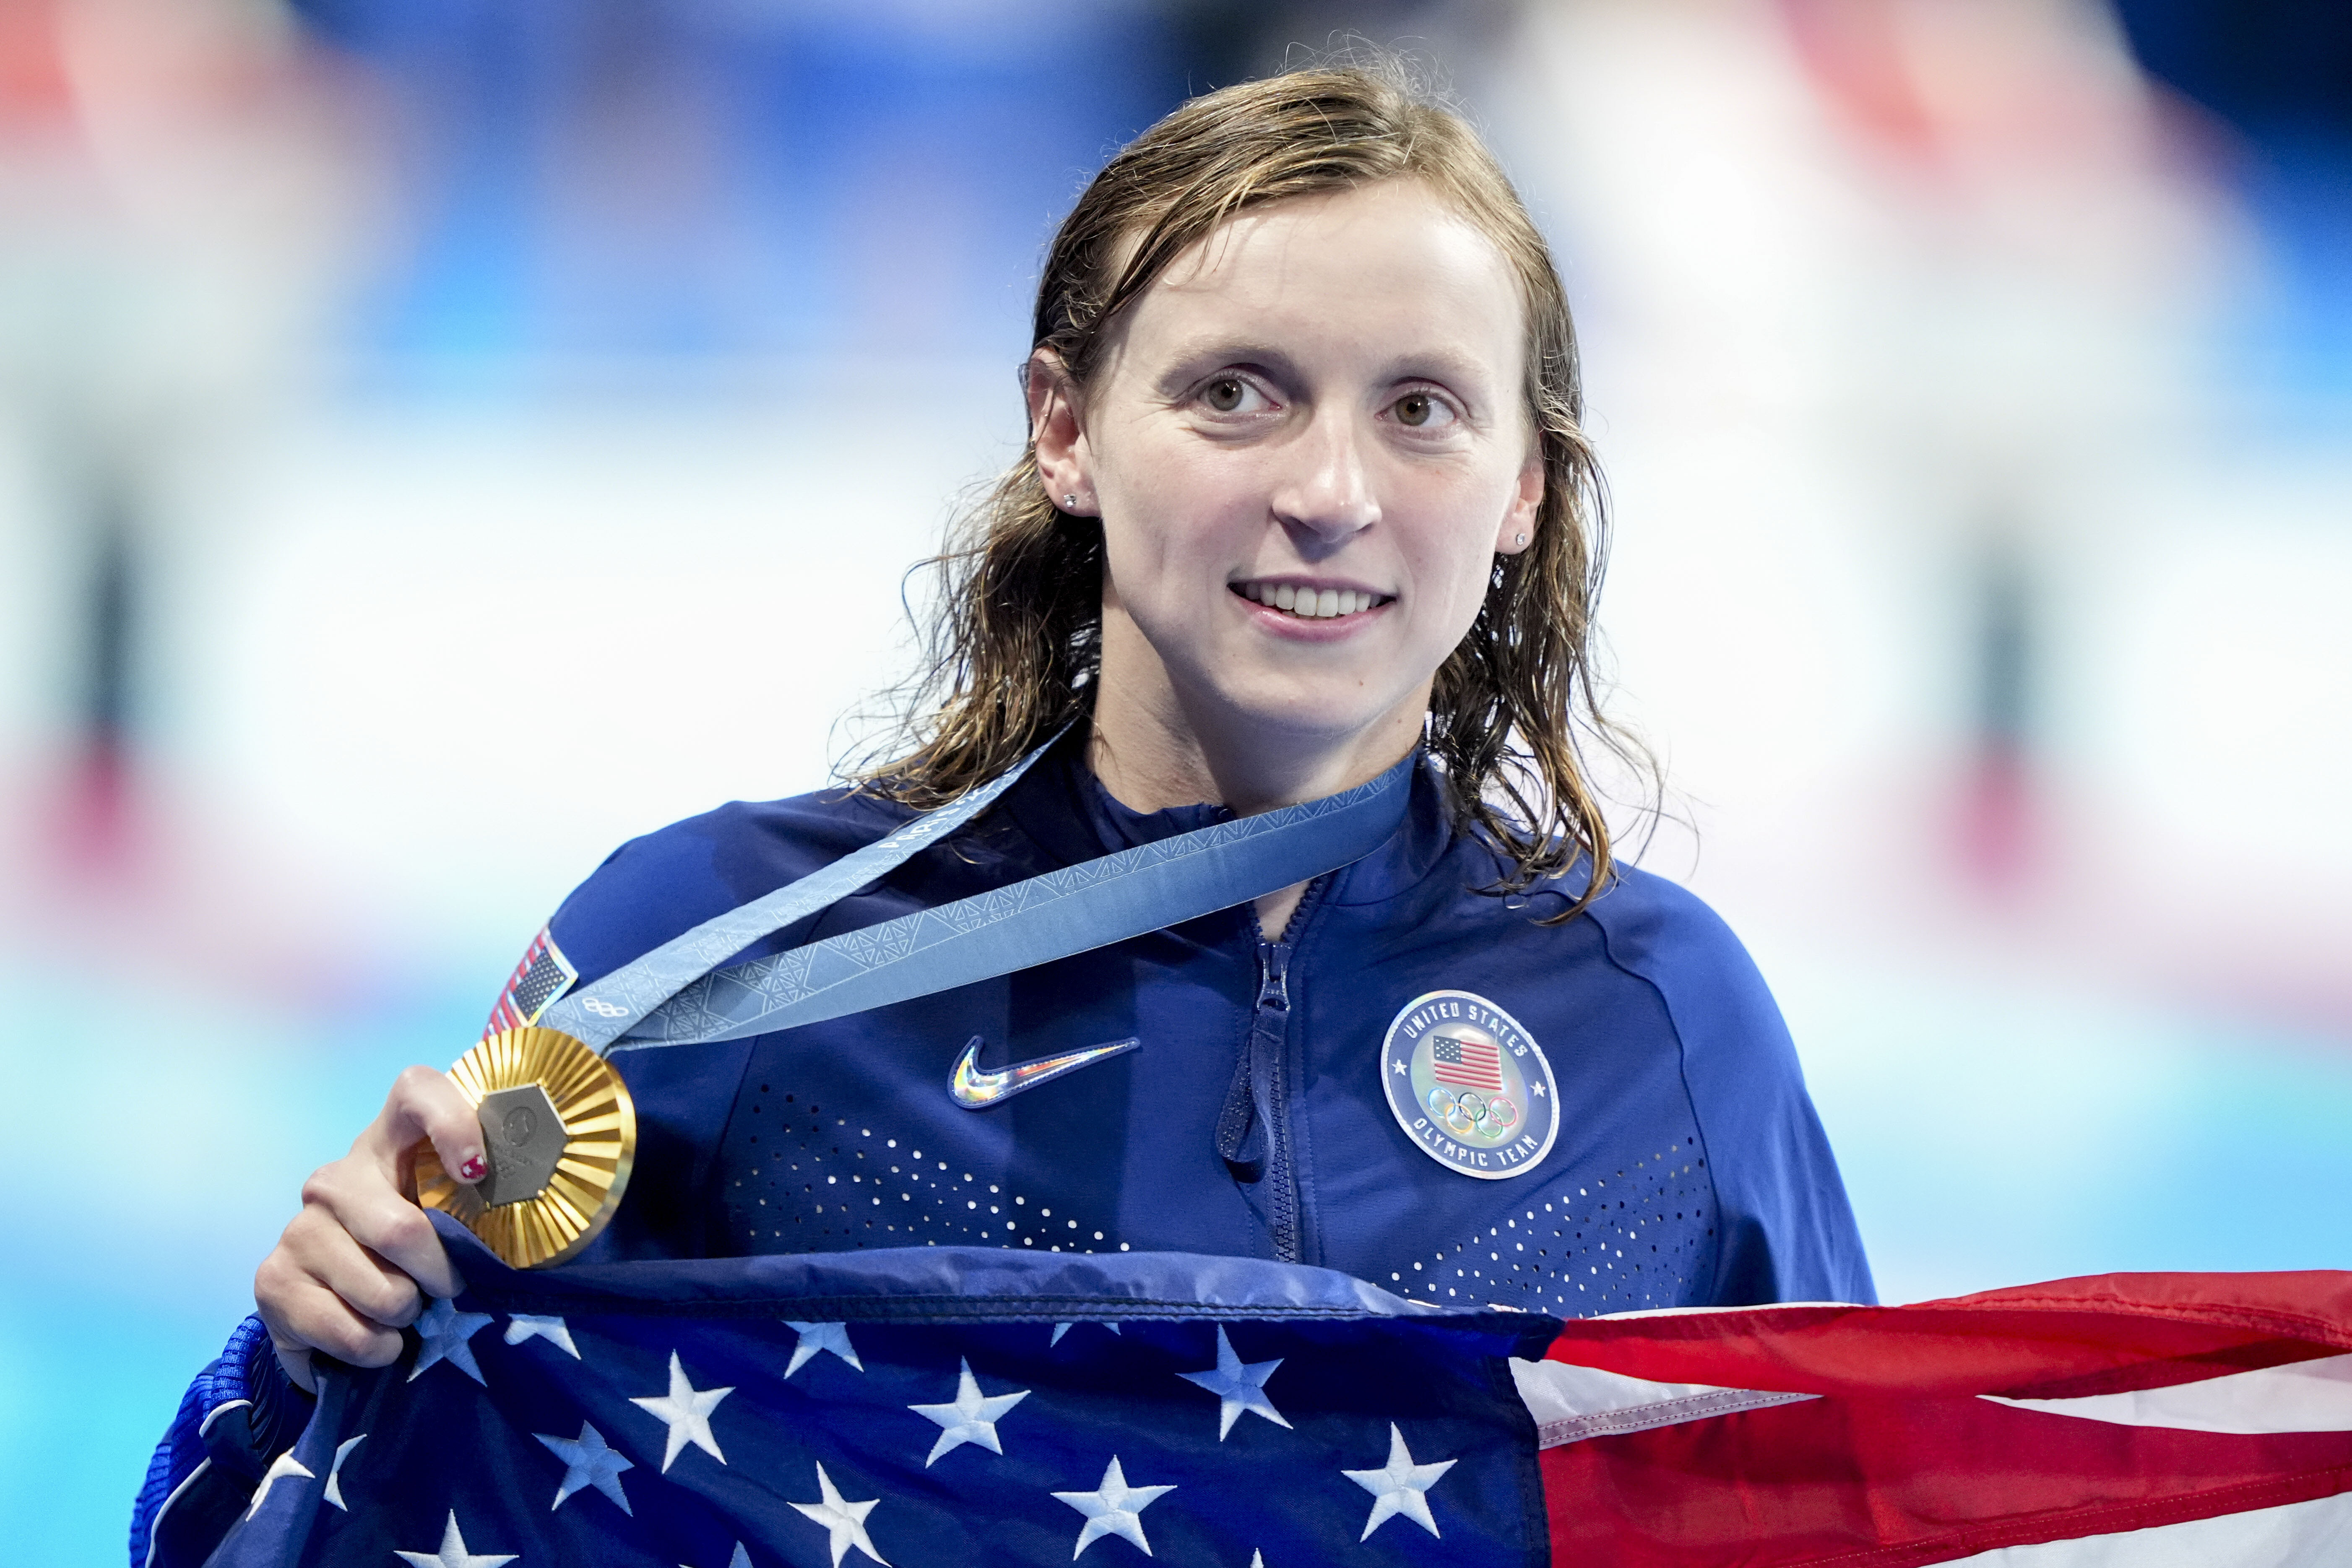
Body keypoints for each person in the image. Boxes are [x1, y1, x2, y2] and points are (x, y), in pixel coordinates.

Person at [135, 59, 1872, 1563]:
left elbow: (1872, 1512)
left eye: (1420, 409)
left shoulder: (1667, 1026)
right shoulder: (703, 964)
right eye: (1234, 392)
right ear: (1065, 429)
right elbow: (303, 1484)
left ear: (1519, 489)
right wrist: (308, 1329)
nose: (1328, 490)